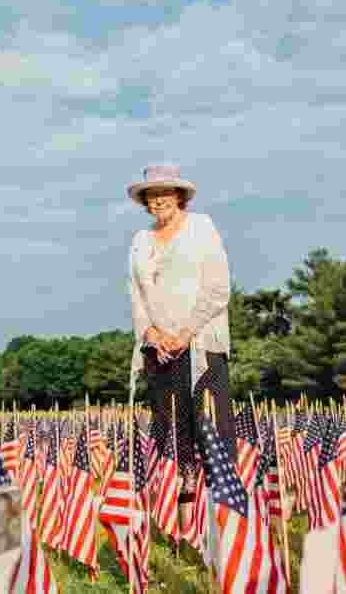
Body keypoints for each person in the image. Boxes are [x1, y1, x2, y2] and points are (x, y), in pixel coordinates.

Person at [127, 164, 235, 514]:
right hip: (159, 349)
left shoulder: (202, 227)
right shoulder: (140, 241)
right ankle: (182, 517)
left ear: (178, 195)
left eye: (164, 192)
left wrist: (186, 332)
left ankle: (223, 511)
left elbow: (218, 289)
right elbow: (136, 296)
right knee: (172, 430)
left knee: (209, 425)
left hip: (200, 342)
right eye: (151, 194)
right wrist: (152, 333)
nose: (157, 200)